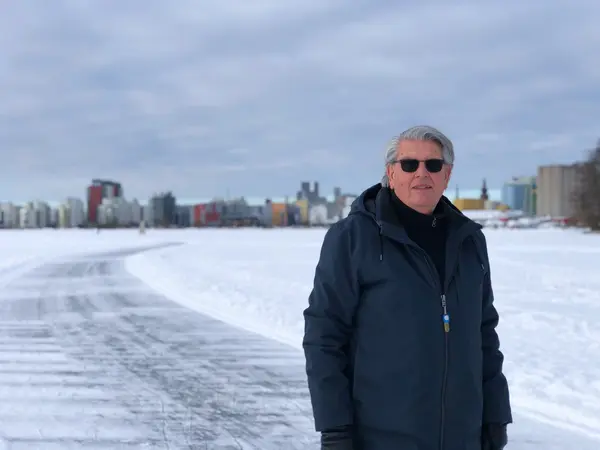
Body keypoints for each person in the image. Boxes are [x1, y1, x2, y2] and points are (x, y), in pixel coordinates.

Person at [302, 125, 512, 450]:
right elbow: (324, 338)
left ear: (447, 174)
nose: (421, 173)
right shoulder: (352, 238)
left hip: (463, 436)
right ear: (391, 172)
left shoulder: (470, 241)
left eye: (433, 164)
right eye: (409, 164)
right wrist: (335, 428)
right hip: (380, 438)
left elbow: (485, 334)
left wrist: (495, 415)